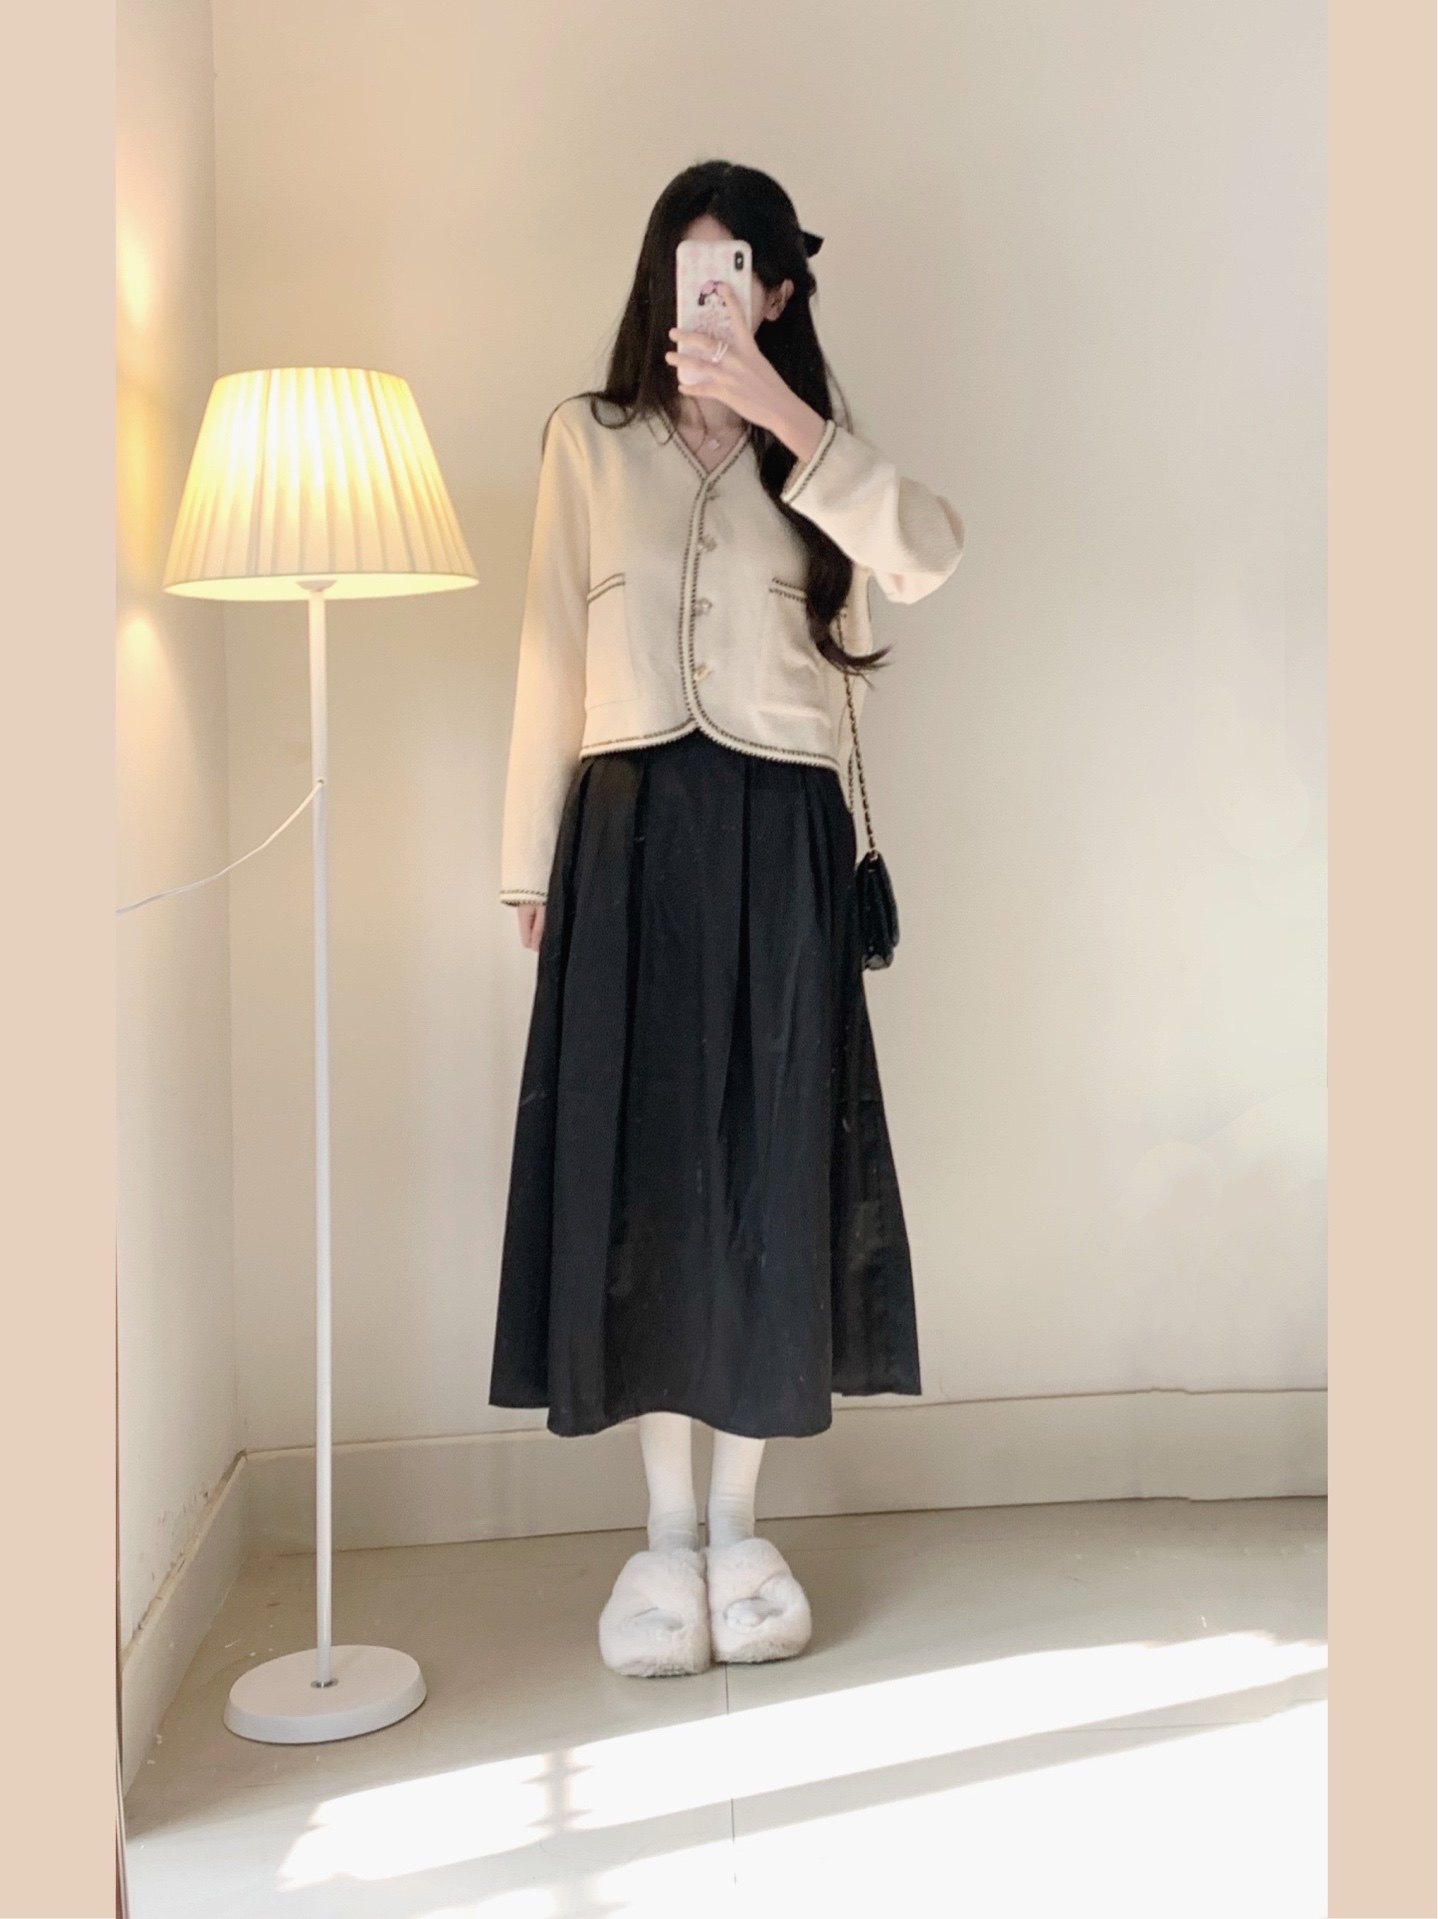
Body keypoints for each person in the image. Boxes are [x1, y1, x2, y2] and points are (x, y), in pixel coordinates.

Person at [489, 159, 965, 1676]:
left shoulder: (817, 452)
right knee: (642, 1170)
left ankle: (742, 1529)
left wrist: (787, 418)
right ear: (659, 282)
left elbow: (929, 552)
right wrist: (529, 866)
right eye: (686, 268)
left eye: (736, 272)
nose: (708, 294)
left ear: (775, 291)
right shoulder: (588, 440)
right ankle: (663, 1538)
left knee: (769, 1164)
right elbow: (545, 644)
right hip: (628, 832)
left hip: (780, 839)